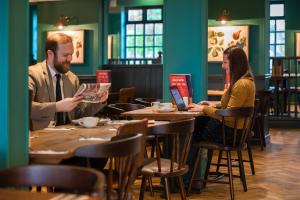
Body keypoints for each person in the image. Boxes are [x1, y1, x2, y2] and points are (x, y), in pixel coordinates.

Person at [29, 33, 108, 131]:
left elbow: (80, 113)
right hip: (40, 137)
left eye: (71, 54)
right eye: (66, 55)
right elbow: (24, 107)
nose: (70, 59)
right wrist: (57, 107)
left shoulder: (72, 78)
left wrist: (99, 100)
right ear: (50, 54)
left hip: (68, 134)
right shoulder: (32, 74)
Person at [188, 46, 256, 144]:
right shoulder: (244, 81)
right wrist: (214, 105)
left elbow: (229, 115)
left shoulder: (241, 84)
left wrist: (203, 108)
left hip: (232, 133)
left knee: (193, 127)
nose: (222, 66)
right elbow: (234, 106)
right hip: (236, 131)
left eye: (225, 62)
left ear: (235, 64)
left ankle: (184, 159)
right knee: (200, 122)